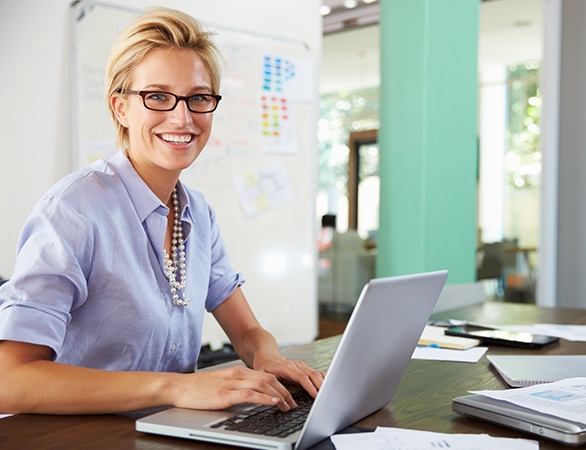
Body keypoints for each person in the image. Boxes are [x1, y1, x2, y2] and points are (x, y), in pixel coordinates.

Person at [0, 7, 324, 415]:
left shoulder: (198, 213)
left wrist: (269, 359)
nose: (182, 117)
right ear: (120, 107)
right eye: (157, 96)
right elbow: (9, 379)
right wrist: (175, 388)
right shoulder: (73, 210)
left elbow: (246, 329)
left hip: (166, 432)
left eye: (199, 98)